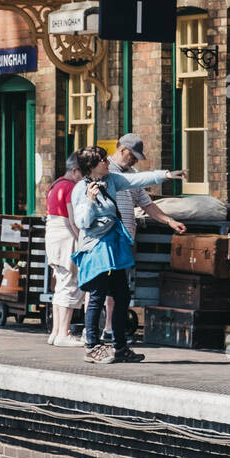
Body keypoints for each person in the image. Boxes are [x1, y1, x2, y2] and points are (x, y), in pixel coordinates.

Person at [72, 146, 184, 364]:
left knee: (122, 295)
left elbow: (138, 180)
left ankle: (120, 346)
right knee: (97, 296)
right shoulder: (80, 190)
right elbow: (82, 222)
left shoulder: (112, 180)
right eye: (103, 160)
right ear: (92, 166)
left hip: (113, 246)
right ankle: (92, 346)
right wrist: (90, 201)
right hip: (95, 247)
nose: (107, 162)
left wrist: (167, 174)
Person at [101, 133, 187, 344]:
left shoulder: (133, 174)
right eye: (133, 156)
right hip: (108, 238)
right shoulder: (106, 172)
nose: (135, 161)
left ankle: (111, 330)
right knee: (101, 286)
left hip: (126, 239)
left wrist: (169, 221)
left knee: (120, 288)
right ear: (122, 150)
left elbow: (146, 204)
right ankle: (98, 330)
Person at [45, 153, 86, 347]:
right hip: (66, 237)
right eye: (83, 173)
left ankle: (55, 332)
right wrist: (82, 240)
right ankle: (64, 332)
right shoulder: (71, 187)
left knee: (61, 284)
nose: (85, 178)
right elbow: (73, 219)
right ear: (74, 170)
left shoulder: (55, 185)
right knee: (71, 283)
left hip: (53, 237)